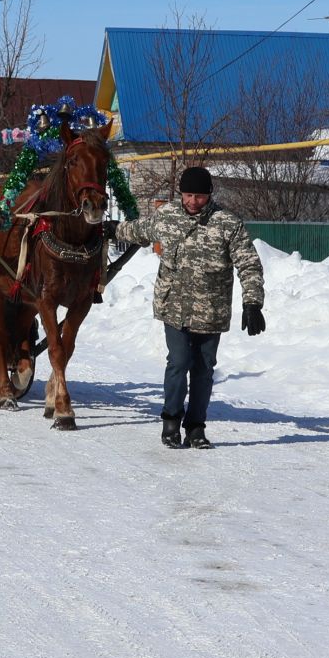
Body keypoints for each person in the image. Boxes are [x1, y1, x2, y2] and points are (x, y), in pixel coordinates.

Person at [113, 166, 265, 450]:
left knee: (204, 369)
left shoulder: (227, 223)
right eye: (188, 195)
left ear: (209, 195)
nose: (193, 201)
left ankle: (196, 427)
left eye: (199, 196)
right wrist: (111, 228)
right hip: (174, 306)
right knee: (179, 362)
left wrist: (252, 302)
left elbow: (249, 263)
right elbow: (140, 230)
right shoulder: (167, 216)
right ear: (181, 193)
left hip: (211, 309)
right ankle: (171, 421)